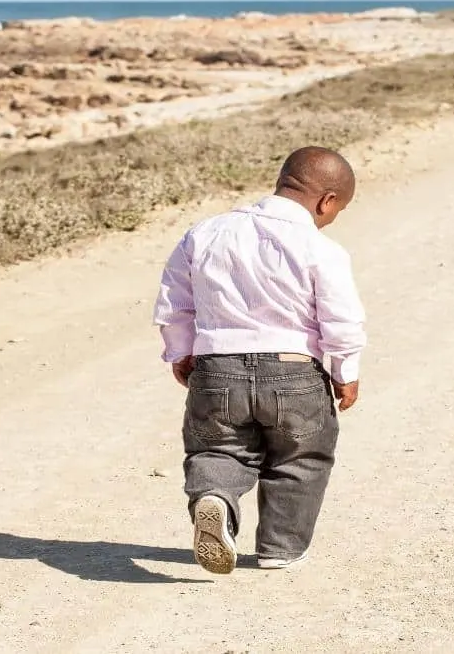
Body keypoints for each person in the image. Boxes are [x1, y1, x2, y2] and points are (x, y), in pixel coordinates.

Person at [152, 146, 367, 575]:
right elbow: (341, 318)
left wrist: (181, 350)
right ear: (327, 201)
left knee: (218, 448)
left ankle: (215, 496)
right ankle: (280, 548)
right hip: (295, 371)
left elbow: (175, 300)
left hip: (216, 369)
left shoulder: (206, 232)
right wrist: (346, 372)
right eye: (336, 210)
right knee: (300, 457)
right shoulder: (321, 248)